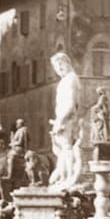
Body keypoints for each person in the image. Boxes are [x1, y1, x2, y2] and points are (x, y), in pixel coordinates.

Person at [48, 52, 82, 189]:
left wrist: (60, 121)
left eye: (61, 65)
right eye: (56, 67)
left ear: (68, 63)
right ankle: (63, 177)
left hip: (66, 119)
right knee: (62, 150)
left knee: (66, 148)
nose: (59, 69)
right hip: (62, 119)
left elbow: (71, 104)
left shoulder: (71, 79)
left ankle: (68, 177)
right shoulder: (66, 80)